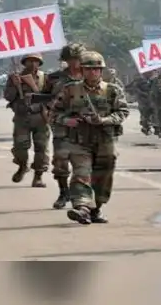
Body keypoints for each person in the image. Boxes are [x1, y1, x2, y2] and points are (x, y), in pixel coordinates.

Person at [49, 51, 129, 225]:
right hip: (79, 141)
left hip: (105, 140)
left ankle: (96, 208)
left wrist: (104, 120)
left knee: (103, 176)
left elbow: (123, 112)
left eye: (96, 69)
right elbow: (54, 112)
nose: (92, 73)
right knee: (81, 174)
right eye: (88, 69)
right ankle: (82, 208)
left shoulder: (112, 90)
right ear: (82, 70)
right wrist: (67, 120)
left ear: (101, 71)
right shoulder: (70, 89)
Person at [40, 43, 86, 208]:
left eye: (77, 59)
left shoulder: (90, 75)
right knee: (60, 161)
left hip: (86, 124)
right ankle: (63, 192)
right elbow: (43, 99)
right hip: (61, 123)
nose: (74, 63)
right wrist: (46, 113)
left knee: (84, 162)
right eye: (70, 59)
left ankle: (81, 195)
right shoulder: (54, 78)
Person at [5, 53, 50, 187]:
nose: (32, 64)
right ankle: (22, 166)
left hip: (40, 117)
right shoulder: (14, 78)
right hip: (22, 117)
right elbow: (8, 96)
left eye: (36, 61)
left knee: (41, 149)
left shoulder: (45, 78)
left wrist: (37, 97)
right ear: (24, 63)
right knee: (20, 148)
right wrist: (15, 86)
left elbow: (51, 96)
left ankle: (38, 176)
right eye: (29, 61)